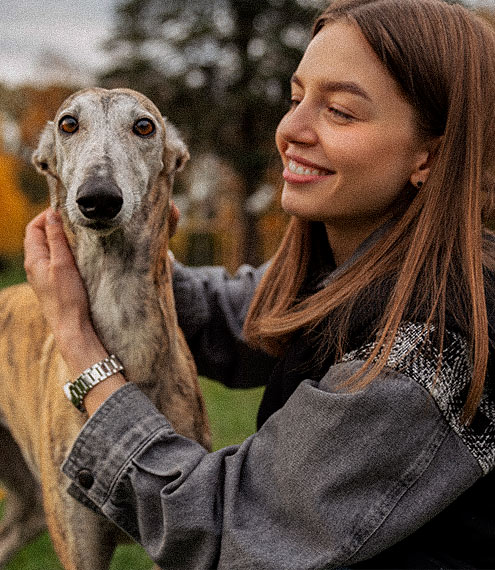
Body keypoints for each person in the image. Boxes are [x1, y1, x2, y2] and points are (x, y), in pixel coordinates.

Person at [23, 0, 495, 568]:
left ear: (430, 155)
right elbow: (243, 314)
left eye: (340, 111)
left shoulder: (433, 343)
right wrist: (130, 261)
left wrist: (77, 341)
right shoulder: (357, 263)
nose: (290, 130)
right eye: (297, 99)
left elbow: (229, 527)